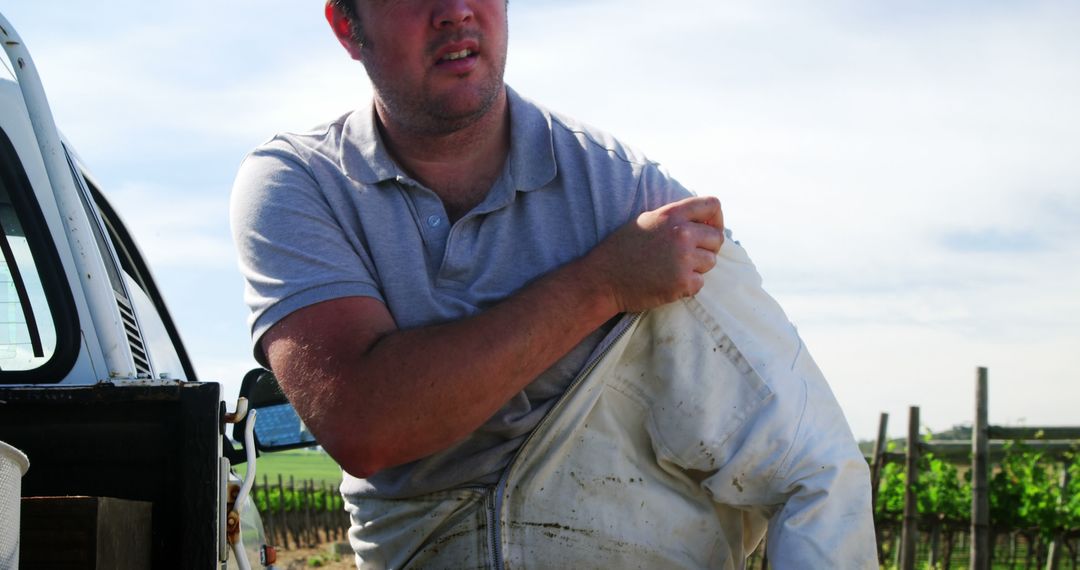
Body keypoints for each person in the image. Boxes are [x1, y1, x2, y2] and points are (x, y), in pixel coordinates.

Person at [230, 1, 877, 568]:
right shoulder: (300, 186)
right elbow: (363, 424)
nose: (455, 9)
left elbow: (812, 464)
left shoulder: (631, 197)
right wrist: (602, 285)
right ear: (347, 25)